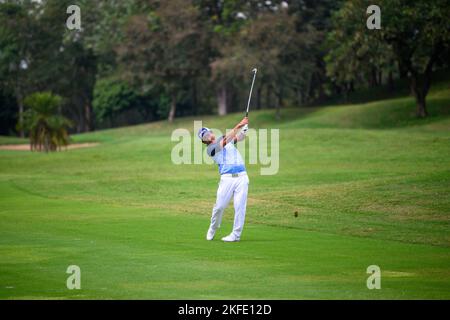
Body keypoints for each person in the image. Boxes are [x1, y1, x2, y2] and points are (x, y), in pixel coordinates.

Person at [198, 117, 250, 242]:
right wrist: (238, 125)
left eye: (208, 133)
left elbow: (239, 138)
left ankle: (236, 235)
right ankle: (213, 227)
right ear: (204, 141)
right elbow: (226, 141)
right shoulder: (210, 150)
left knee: (240, 207)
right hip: (227, 179)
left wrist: (244, 130)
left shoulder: (225, 138)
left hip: (242, 177)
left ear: (212, 132)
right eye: (204, 136)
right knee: (219, 207)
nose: (208, 136)